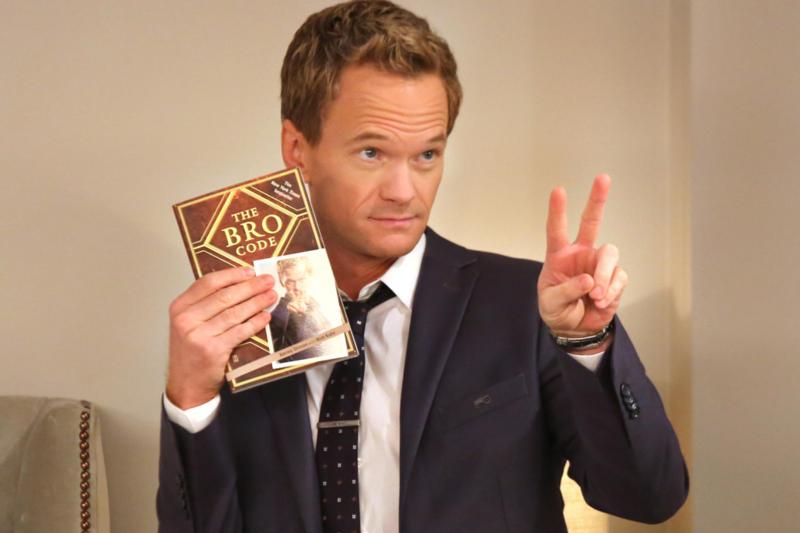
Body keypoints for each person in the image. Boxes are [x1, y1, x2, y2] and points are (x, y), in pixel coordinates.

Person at [158, 1, 688, 532]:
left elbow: (649, 497)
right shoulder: (238, 323)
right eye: (371, 153)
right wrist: (190, 397)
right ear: (298, 148)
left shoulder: (530, 305)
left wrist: (586, 344)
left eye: (427, 155)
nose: (403, 192)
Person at [269, 256, 332, 362]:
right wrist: (292, 318)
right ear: (282, 282)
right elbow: (280, 359)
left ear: (311, 277)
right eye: (290, 282)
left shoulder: (317, 307)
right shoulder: (277, 316)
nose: (297, 287)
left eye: (302, 279)